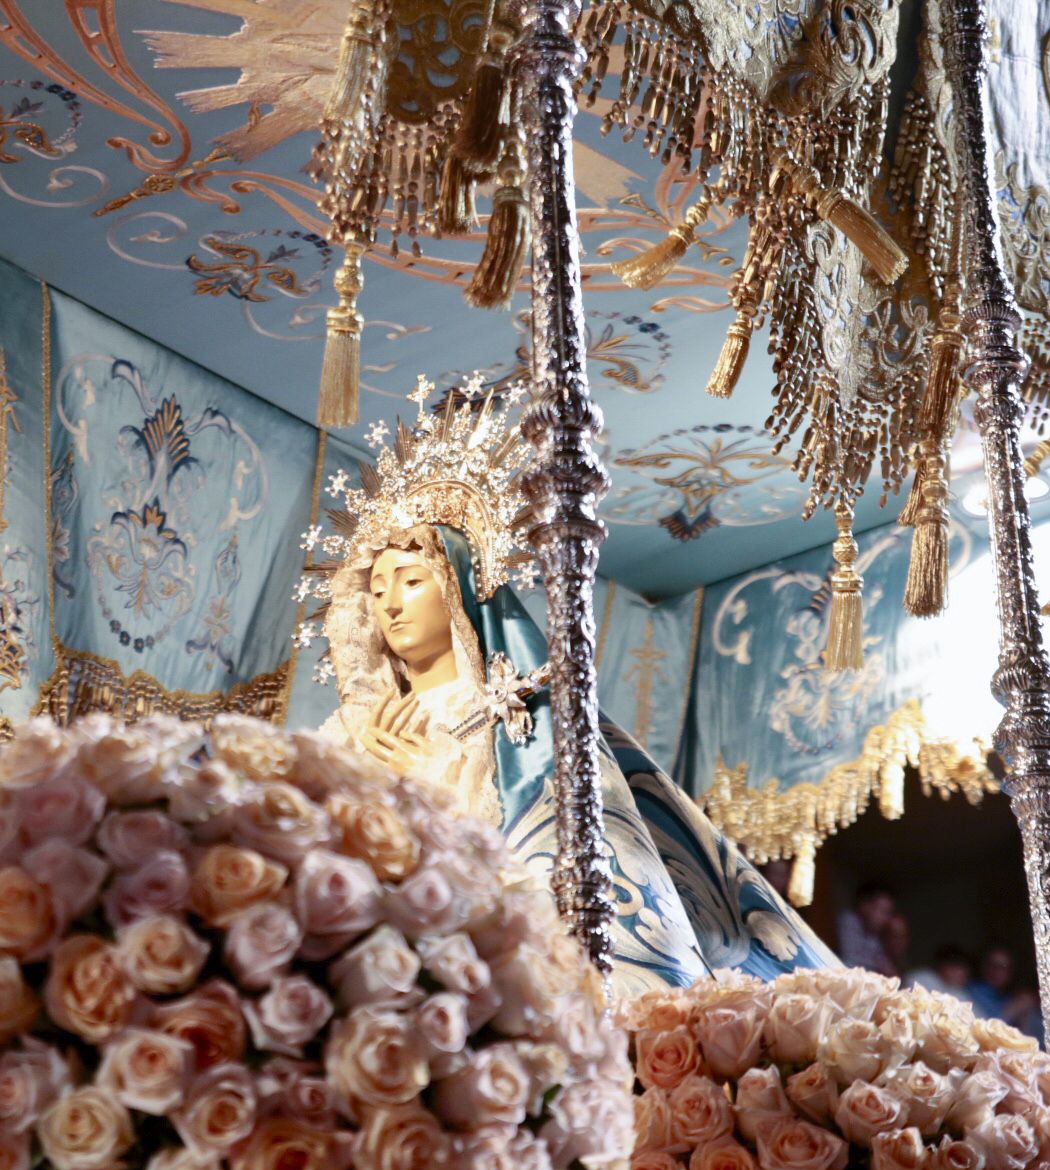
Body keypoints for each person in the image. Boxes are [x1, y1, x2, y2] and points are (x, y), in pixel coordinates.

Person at [309, 383, 836, 994]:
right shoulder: (348, 733)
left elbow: (528, 867)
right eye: (375, 590)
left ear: (457, 587)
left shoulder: (504, 710)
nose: (390, 605)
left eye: (410, 580)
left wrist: (414, 790)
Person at [835, 882, 896, 975]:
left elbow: (885, 964)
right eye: (883, 911)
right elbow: (850, 960)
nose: (887, 919)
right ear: (864, 906)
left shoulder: (874, 936)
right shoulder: (848, 921)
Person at [906, 945, 973, 1001]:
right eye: (958, 969)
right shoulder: (920, 979)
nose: (963, 976)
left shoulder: (958, 992)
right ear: (944, 966)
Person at [967, 945, 1015, 1020]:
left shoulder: (1007, 997)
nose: (997, 971)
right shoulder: (973, 991)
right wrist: (1015, 1008)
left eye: (1003, 967)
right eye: (993, 965)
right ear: (983, 966)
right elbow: (986, 1025)